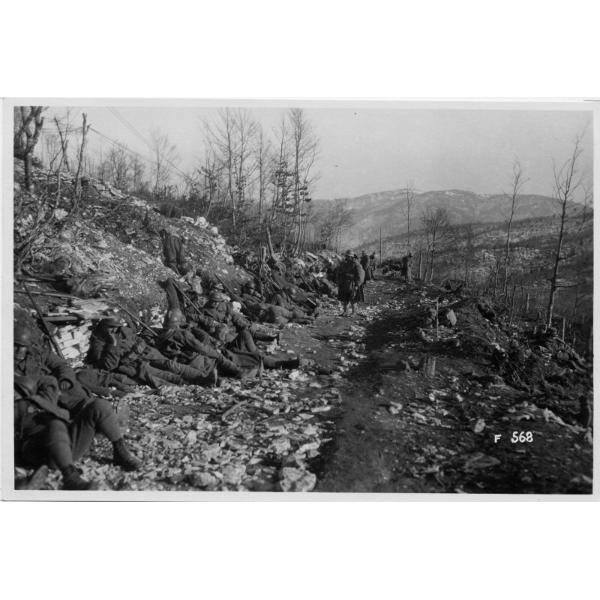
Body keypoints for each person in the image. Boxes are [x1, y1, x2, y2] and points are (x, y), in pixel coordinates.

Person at [14, 325, 141, 490]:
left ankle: (120, 450)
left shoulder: (37, 355)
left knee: (99, 405)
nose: (18, 351)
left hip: (60, 412)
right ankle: (70, 478)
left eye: (22, 346)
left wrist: (63, 382)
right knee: (56, 425)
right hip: (40, 446)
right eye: (15, 346)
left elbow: (61, 367)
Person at [88, 316, 216, 387]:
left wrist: (139, 346)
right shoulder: (98, 343)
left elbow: (139, 339)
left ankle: (203, 378)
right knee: (163, 375)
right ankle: (190, 385)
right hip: (133, 365)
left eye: (116, 328)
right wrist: (113, 345)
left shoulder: (122, 330)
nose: (114, 331)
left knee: (172, 365)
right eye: (111, 329)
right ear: (103, 328)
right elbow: (108, 366)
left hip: (148, 353)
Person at [336, 250, 362, 316]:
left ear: (351, 256)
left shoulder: (356, 264)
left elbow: (360, 275)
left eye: (348, 256)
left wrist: (357, 285)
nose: (347, 257)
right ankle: (345, 311)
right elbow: (340, 272)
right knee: (344, 298)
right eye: (346, 256)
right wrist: (339, 281)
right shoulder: (344, 263)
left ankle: (354, 312)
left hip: (352, 283)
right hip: (344, 283)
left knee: (353, 299)